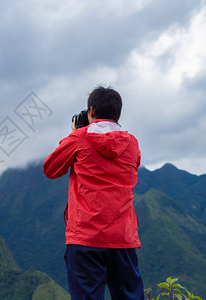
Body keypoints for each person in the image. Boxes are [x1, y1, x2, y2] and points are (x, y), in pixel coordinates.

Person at [43, 86, 144, 300]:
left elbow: (50, 169)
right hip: (122, 238)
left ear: (91, 111)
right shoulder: (132, 144)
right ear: (118, 113)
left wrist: (73, 135)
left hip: (85, 238)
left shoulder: (79, 138)